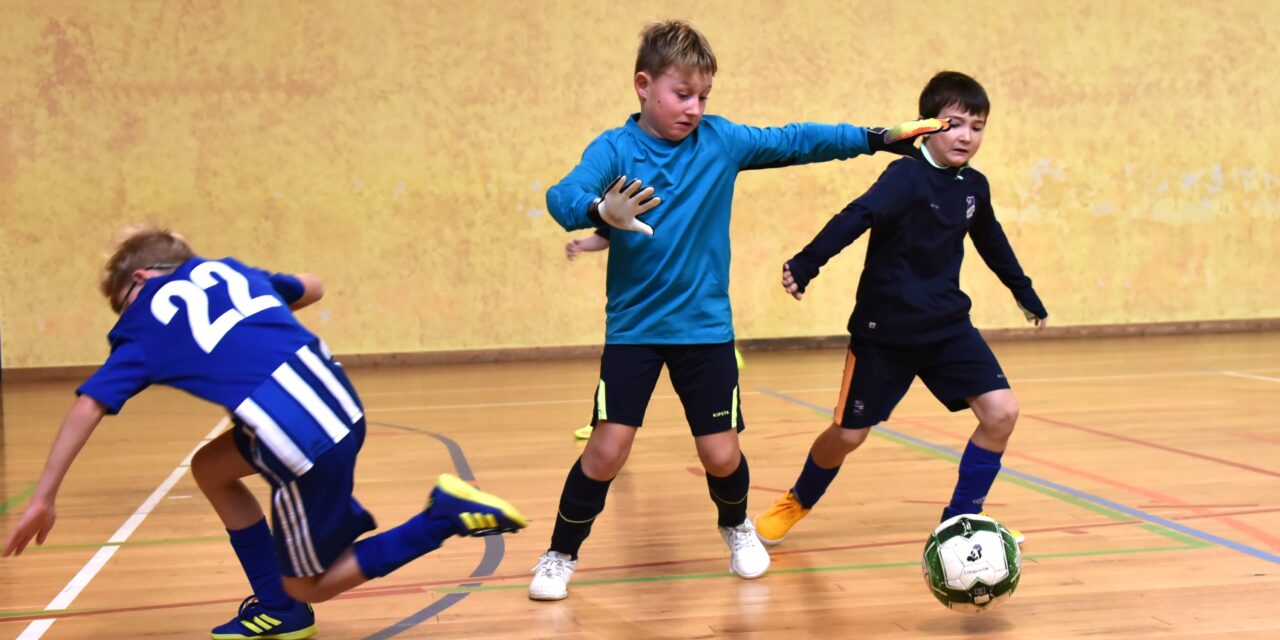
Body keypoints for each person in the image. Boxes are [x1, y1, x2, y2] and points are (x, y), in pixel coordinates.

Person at [529, 18, 948, 601]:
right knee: (606, 449)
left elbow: (798, 140)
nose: (694, 108)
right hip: (634, 331)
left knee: (721, 453)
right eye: (682, 94)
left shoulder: (721, 142)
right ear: (643, 85)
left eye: (703, 96)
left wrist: (874, 138)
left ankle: (736, 525)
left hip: (705, 330)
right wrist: (598, 211)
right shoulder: (614, 149)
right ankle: (559, 554)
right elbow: (562, 197)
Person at [2, 227, 529, 639]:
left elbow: (89, 404)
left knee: (310, 586)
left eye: (121, 301)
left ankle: (439, 519)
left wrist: (44, 496)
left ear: (140, 278)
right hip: (341, 401)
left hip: (297, 436)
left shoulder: (142, 322)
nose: (124, 313)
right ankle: (277, 608)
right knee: (210, 468)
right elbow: (314, 286)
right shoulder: (227, 273)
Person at [753, 71, 1047, 549]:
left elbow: (992, 241)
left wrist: (1025, 294)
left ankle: (961, 520)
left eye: (977, 127)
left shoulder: (974, 186)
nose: (966, 136)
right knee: (849, 436)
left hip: (947, 328)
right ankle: (797, 499)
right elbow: (858, 215)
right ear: (926, 126)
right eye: (954, 124)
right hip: (884, 333)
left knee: (1001, 413)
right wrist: (807, 263)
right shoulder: (905, 175)